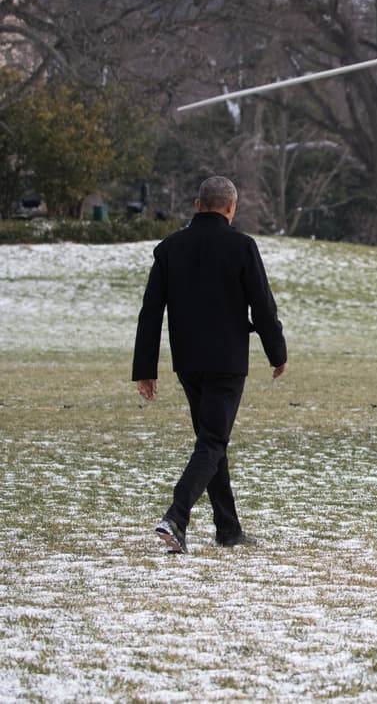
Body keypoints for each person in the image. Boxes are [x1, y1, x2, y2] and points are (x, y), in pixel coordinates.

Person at [132, 176, 287, 553]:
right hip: (227, 362)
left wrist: (145, 368)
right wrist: (277, 352)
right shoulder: (242, 246)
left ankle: (228, 529)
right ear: (231, 209)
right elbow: (263, 307)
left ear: (198, 204)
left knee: (211, 442)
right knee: (213, 441)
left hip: (188, 362)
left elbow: (151, 312)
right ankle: (176, 516)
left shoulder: (169, 249)